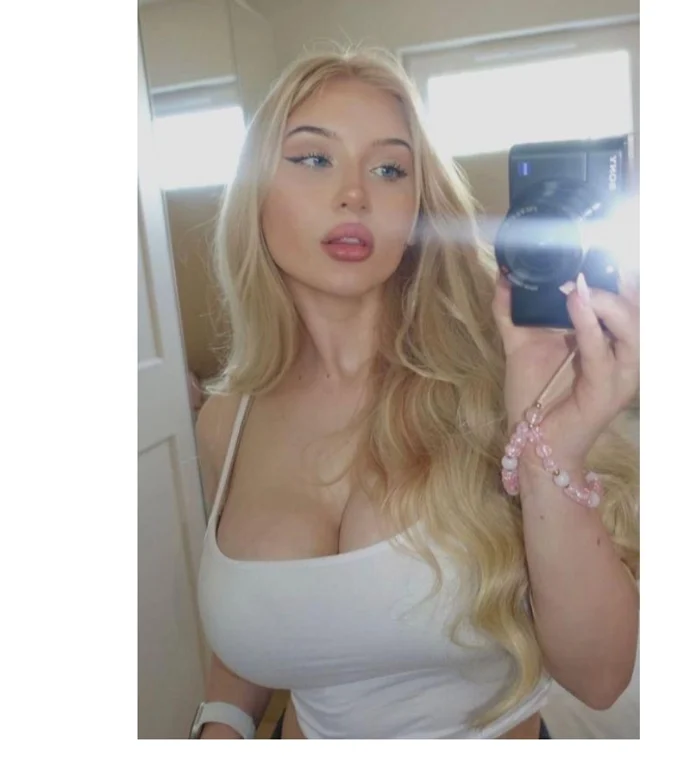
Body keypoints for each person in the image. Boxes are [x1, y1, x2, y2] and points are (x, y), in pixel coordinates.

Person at [190, 44, 640, 740]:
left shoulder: (503, 388)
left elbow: (601, 677)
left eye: (389, 169)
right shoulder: (225, 423)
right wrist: (218, 725)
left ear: (417, 208)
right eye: (314, 158)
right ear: (255, 193)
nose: (354, 194)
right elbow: (266, 618)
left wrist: (550, 455)